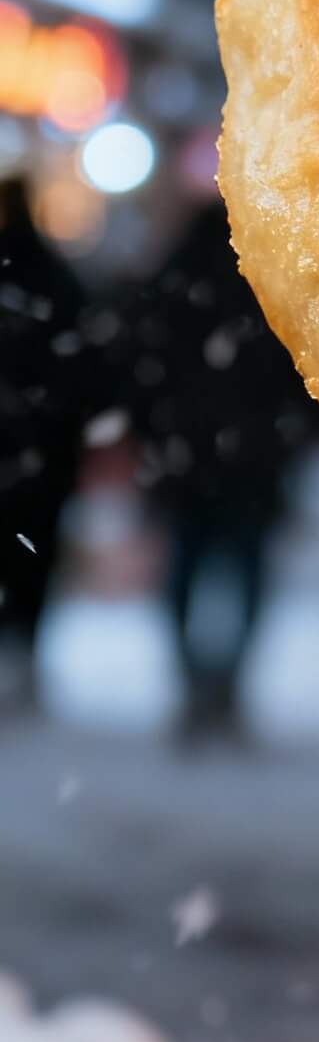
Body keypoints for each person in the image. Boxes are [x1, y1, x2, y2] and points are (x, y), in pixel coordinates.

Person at [125, 197, 319, 739]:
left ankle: (191, 675)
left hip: (186, 460)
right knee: (247, 569)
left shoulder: (171, 287)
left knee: (184, 567)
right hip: (254, 461)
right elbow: (300, 381)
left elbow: (141, 369)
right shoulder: (264, 291)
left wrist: (151, 435)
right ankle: (230, 679)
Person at [0, 174, 89, 706]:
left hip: (21, 445)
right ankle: (24, 651)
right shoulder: (57, 281)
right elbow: (82, 368)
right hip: (44, 454)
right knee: (33, 555)